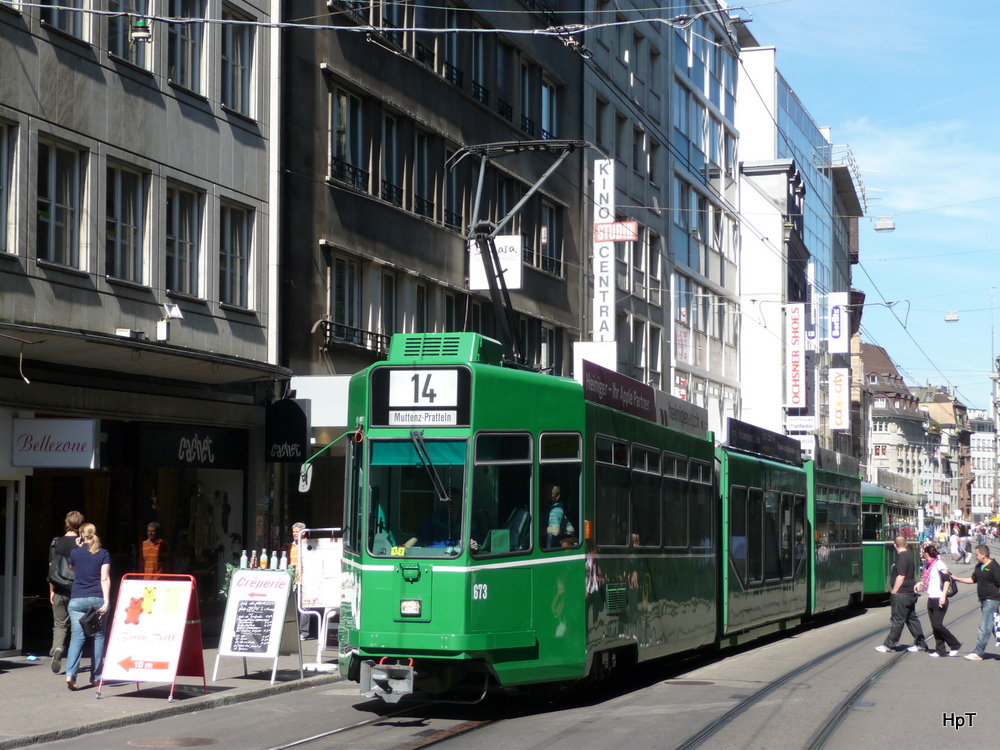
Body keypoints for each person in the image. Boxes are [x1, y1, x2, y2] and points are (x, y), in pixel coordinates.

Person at [66, 523, 110, 690]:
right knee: (98, 637)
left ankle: (71, 674)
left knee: (77, 637)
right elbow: (105, 579)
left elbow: (73, 567)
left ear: (81, 535)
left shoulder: (75, 553)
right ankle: (96, 677)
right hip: (96, 599)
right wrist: (106, 602)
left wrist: (78, 548)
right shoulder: (103, 553)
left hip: (77, 599)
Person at [875, 536, 929, 653]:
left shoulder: (901, 558)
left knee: (897, 620)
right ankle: (921, 643)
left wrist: (894, 591)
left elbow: (901, 576)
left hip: (902, 593)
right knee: (911, 619)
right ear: (906, 545)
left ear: (895, 545)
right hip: (910, 592)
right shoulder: (909, 557)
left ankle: (889, 645)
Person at [48, 510, 84, 674]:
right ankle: (73, 662)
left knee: (60, 624)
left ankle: (57, 648)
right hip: (77, 589)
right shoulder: (82, 543)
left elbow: (52, 568)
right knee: (78, 628)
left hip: (60, 588)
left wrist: (51, 590)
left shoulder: (56, 542)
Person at [952, 544, 1000, 660]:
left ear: (983, 555)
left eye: (977, 554)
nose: (975, 556)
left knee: (984, 627)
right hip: (984, 600)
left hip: (992, 600)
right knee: (994, 627)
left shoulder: (994, 567)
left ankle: (978, 652)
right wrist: (957, 578)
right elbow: (973, 579)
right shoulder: (979, 566)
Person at [917, 545, 961, 657]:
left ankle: (954, 644)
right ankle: (940, 650)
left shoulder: (939, 564)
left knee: (937, 625)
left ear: (927, 553)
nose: (922, 554)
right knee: (934, 625)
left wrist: (943, 596)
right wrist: (921, 583)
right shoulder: (929, 565)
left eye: (923, 552)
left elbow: (946, 581)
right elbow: (931, 581)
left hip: (940, 598)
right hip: (931, 598)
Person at [288, 522, 313, 640]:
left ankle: (303, 632)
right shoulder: (289, 547)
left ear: (304, 533)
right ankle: (292, 631)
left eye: (297, 532)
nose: (294, 534)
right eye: (293, 532)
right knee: (292, 607)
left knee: (304, 607)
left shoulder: (309, 546)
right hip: (292, 581)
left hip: (305, 580)